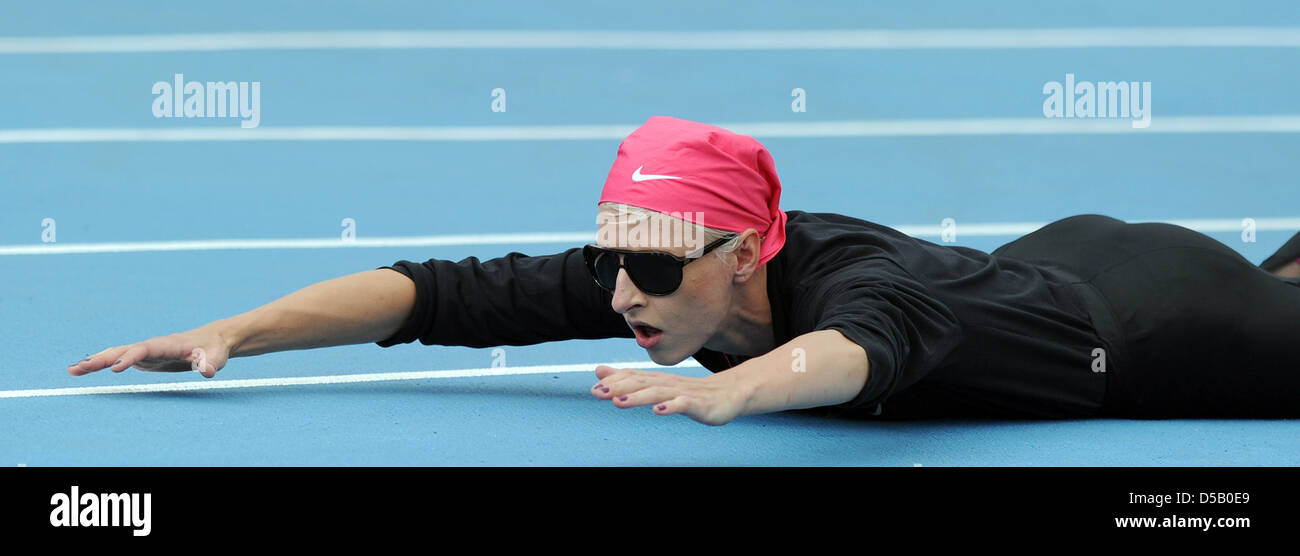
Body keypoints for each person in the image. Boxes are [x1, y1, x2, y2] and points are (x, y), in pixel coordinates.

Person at [68, 116, 1300, 425]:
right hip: (1043, 257)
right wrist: (238, 326)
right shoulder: (652, 269)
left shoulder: (849, 288)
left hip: (1155, 322)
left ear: (748, 248)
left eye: (653, 276)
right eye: (610, 264)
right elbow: (433, 292)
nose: (621, 297)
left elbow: (854, 351)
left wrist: (732, 391)